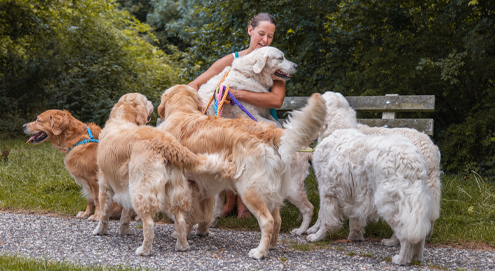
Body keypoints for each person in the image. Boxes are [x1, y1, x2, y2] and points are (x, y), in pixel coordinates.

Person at [188, 13, 286, 219]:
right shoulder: (232, 60)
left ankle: (245, 202)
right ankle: (229, 200)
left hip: (256, 119)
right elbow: (194, 85)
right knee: (223, 138)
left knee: (247, 141)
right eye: (261, 34)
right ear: (250, 30)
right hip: (225, 119)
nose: (265, 40)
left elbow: (276, 100)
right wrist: (193, 105)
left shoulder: (274, 60)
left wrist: (238, 94)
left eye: (270, 36)